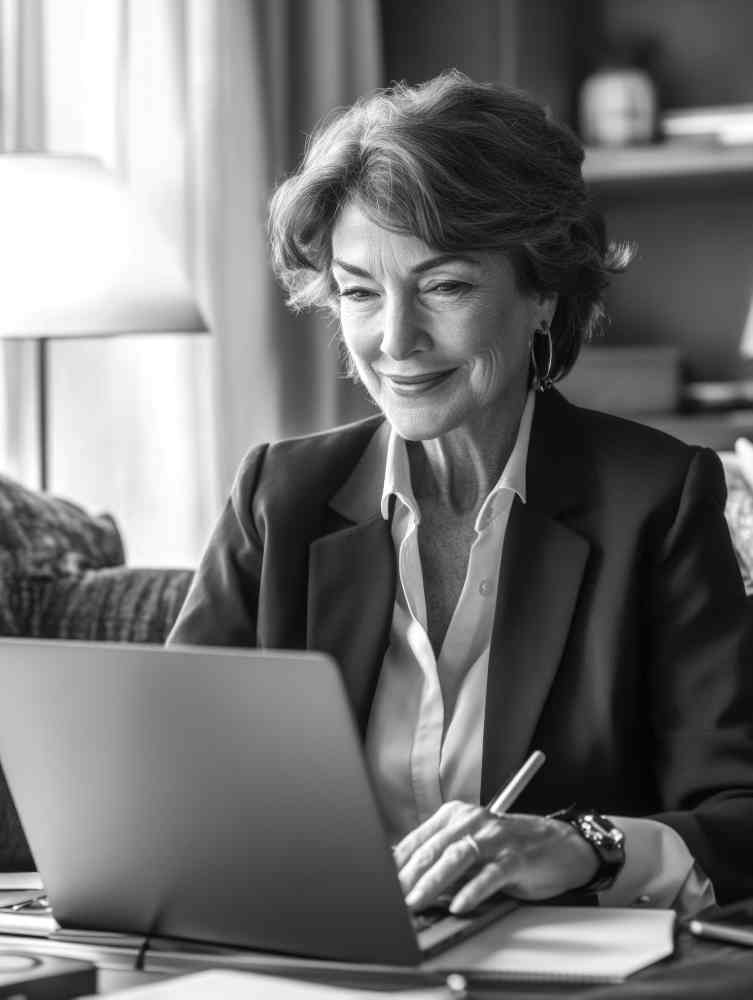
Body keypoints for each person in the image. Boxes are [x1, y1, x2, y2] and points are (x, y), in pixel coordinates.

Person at [168, 71, 753, 917]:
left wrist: (580, 845)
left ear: (542, 289)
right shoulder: (279, 497)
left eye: (445, 286)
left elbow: (737, 820)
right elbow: (167, 775)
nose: (395, 340)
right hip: (306, 958)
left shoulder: (655, 501)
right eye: (360, 292)